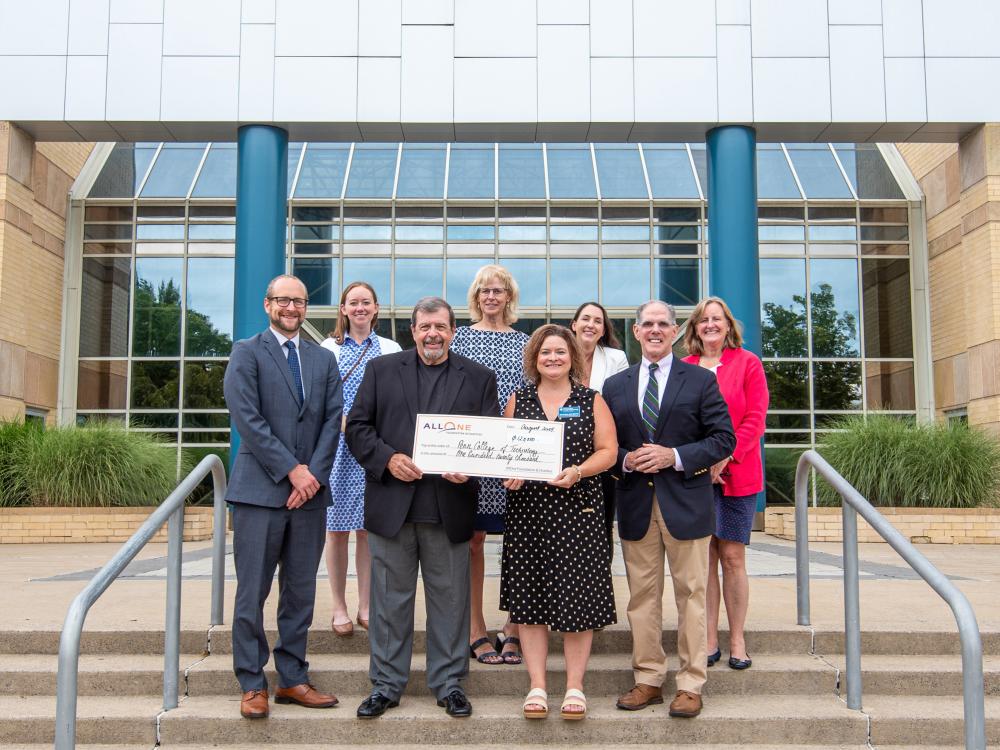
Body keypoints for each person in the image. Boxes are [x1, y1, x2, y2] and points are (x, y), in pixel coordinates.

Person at [345, 296, 501, 720]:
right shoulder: (379, 371)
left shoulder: (479, 377)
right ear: (412, 332)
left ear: (453, 331)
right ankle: (386, 684)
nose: (433, 334)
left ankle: (449, 683)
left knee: (450, 603)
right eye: (425, 327)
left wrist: (468, 468)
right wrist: (387, 458)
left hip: (448, 507)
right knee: (389, 603)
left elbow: (489, 435)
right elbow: (356, 427)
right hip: (392, 506)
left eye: (441, 327)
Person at [602, 300, 735, 719]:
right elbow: (605, 444)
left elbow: (723, 439)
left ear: (676, 331)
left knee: (692, 595)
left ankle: (691, 683)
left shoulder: (699, 380)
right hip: (637, 505)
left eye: (663, 324)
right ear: (636, 331)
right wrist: (625, 460)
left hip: (686, 504)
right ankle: (648, 679)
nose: (655, 330)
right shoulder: (615, 386)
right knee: (642, 597)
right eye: (647, 324)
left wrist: (674, 456)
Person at [223, 274, 344, 719]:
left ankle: (292, 678)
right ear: (267, 303)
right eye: (284, 300)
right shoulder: (247, 352)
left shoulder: (322, 359)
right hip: (260, 493)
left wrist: (311, 475)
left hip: (309, 495)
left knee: (300, 593)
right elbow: (248, 419)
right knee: (252, 592)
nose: (292, 308)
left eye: (300, 301)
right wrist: (291, 471)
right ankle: (252, 682)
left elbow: (334, 421)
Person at [499, 325, 618, 721]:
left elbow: (609, 452)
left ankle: (574, 687)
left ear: (573, 357)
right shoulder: (520, 399)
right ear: (534, 358)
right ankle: (537, 685)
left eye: (560, 352)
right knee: (530, 604)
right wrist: (509, 472)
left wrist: (579, 471)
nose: (553, 358)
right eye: (545, 352)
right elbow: (506, 452)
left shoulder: (591, 400)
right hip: (528, 514)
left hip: (576, 513)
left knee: (576, 604)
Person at [682, 296, 768, 671]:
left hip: (738, 474)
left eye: (717, 319)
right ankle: (709, 638)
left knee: (732, 556)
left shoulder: (748, 364)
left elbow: (755, 417)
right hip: (696, 478)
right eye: (704, 320)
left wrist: (727, 455)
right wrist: (702, 459)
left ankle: (737, 638)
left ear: (729, 326)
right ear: (695, 328)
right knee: (704, 559)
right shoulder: (683, 367)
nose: (711, 325)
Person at [450, 265, 530, 666]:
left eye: (498, 290)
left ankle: (515, 628)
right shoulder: (459, 338)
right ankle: (475, 628)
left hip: (515, 454)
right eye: (485, 290)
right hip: (473, 453)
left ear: (509, 297)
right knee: (474, 540)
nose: (491, 297)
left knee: (518, 542)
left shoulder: (527, 342)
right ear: (476, 297)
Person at [321, 281, 401, 637]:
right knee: (336, 531)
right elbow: (320, 399)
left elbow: (396, 399)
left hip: (373, 448)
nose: (359, 308)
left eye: (366, 302)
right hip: (338, 449)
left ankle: (366, 604)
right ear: (343, 309)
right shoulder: (327, 349)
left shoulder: (390, 348)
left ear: (376, 307)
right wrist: (342, 424)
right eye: (353, 302)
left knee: (368, 531)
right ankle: (339, 604)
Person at [570, 301, 630, 553]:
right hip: (565, 449)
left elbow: (622, 405)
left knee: (601, 523)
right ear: (574, 325)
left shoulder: (616, 358)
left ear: (604, 330)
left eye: (598, 321)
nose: (591, 325)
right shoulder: (558, 353)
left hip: (601, 450)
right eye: (586, 319)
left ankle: (598, 578)